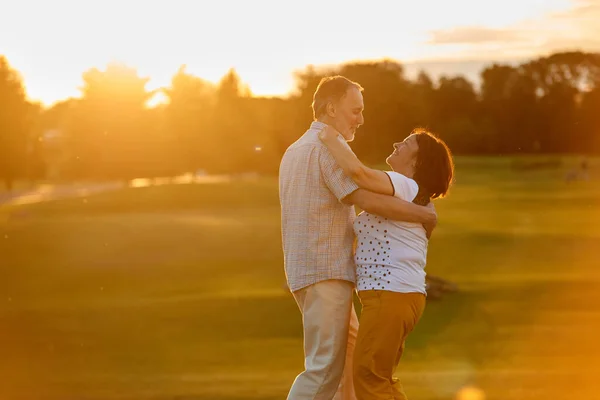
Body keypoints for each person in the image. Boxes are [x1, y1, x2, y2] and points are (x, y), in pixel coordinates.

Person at [278, 76, 437, 400]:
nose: (361, 120)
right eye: (355, 110)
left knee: (349, 360)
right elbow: (365, 197)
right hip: (327, 272)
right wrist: (423, 214)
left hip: (308, 271)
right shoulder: (327, 148)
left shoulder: (295, 149)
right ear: (332, 108)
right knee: (323, 370)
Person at [318, 125, 454, 400]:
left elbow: (359, 176)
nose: (396, 144)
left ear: (417, 162)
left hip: (390, 295)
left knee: (368, 377)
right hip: (402, 297)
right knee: (382, 379)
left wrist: (331, 139)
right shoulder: (412, 195)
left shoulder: (405, 184)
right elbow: (363, 196)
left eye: (405, 143)